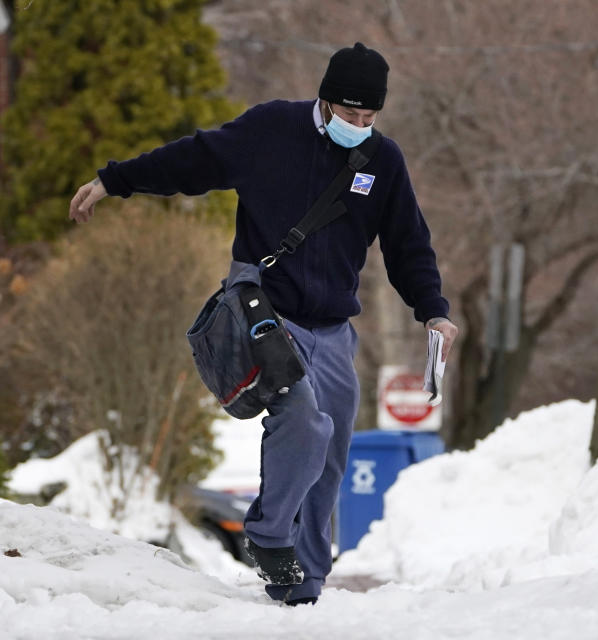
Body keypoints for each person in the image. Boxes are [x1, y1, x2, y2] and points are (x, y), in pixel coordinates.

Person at [68, 42, 459, 606]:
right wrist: (114, 181)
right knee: (303, 421)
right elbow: (193, 159)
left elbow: (408, 245)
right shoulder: (271, 129)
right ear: (325, 101)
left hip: (333, 329)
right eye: (350, 115)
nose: (360, 126)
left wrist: (434, 311)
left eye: (370, 118)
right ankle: (270, 536)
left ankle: (304, 588)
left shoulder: (382, 161)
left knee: (329, 459)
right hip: (266, 311)